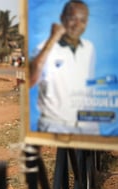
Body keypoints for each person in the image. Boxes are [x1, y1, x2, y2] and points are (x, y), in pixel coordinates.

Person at [30, 0, 98, 134]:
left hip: (85, 123)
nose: (77, 25)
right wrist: (53, 38)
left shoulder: (89, 48)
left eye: (82, 20)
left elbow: (88, 85)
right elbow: (30, 80)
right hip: (55, 124)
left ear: (87, 23)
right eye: (73, 18)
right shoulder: (43, 49)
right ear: (62, 18)